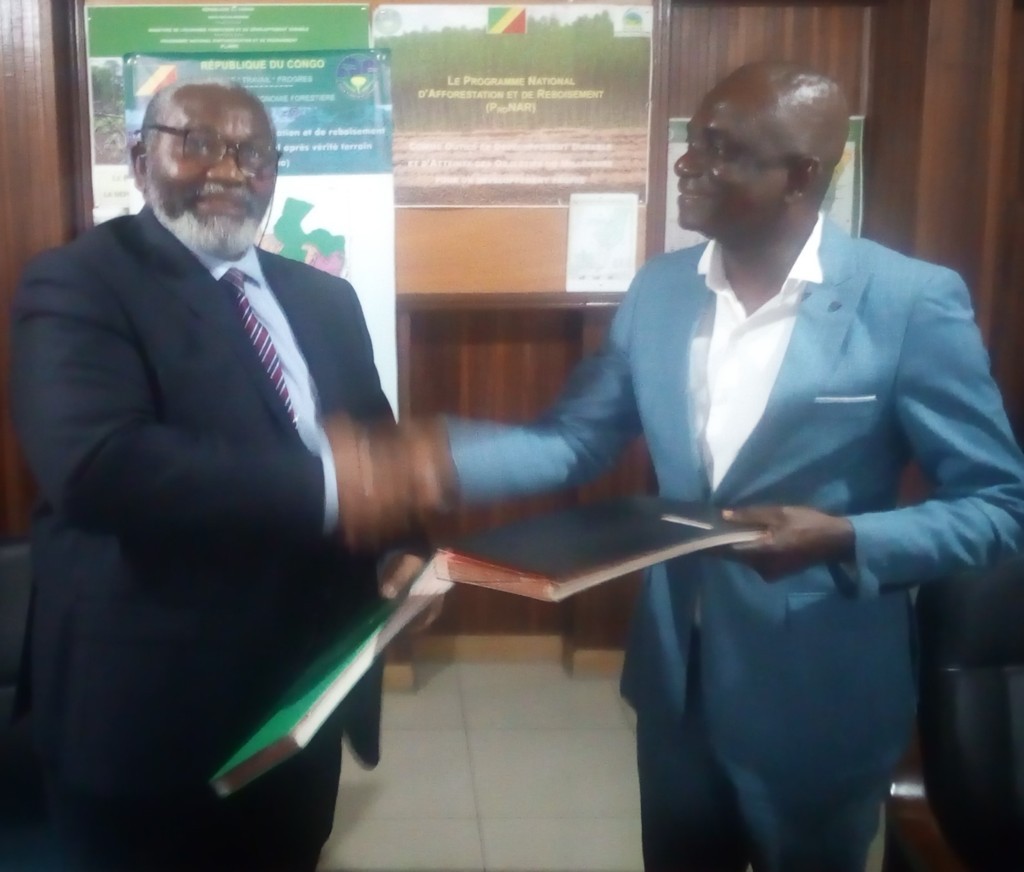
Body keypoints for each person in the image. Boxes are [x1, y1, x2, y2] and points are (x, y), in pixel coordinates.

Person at [337, 61, 1024, 871]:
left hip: (819, 691)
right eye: (693, 140)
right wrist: (438, 461)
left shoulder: (909, 302)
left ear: (802, 175)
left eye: (720, 148)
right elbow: (576, 440)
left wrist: (846, 538)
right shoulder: (660, 291)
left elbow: (999, 505)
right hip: (676, 684)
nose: (685, 163)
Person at [9, 80, 438, 871]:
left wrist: (406, 548)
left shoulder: (327, 300)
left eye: (254, 153)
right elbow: (99, 467)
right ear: (141, 159)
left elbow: (377, 449)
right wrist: (332, 488)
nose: (231, 170)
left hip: (299, 706)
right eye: (198, 143)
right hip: (148, 723)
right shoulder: (79, 283)